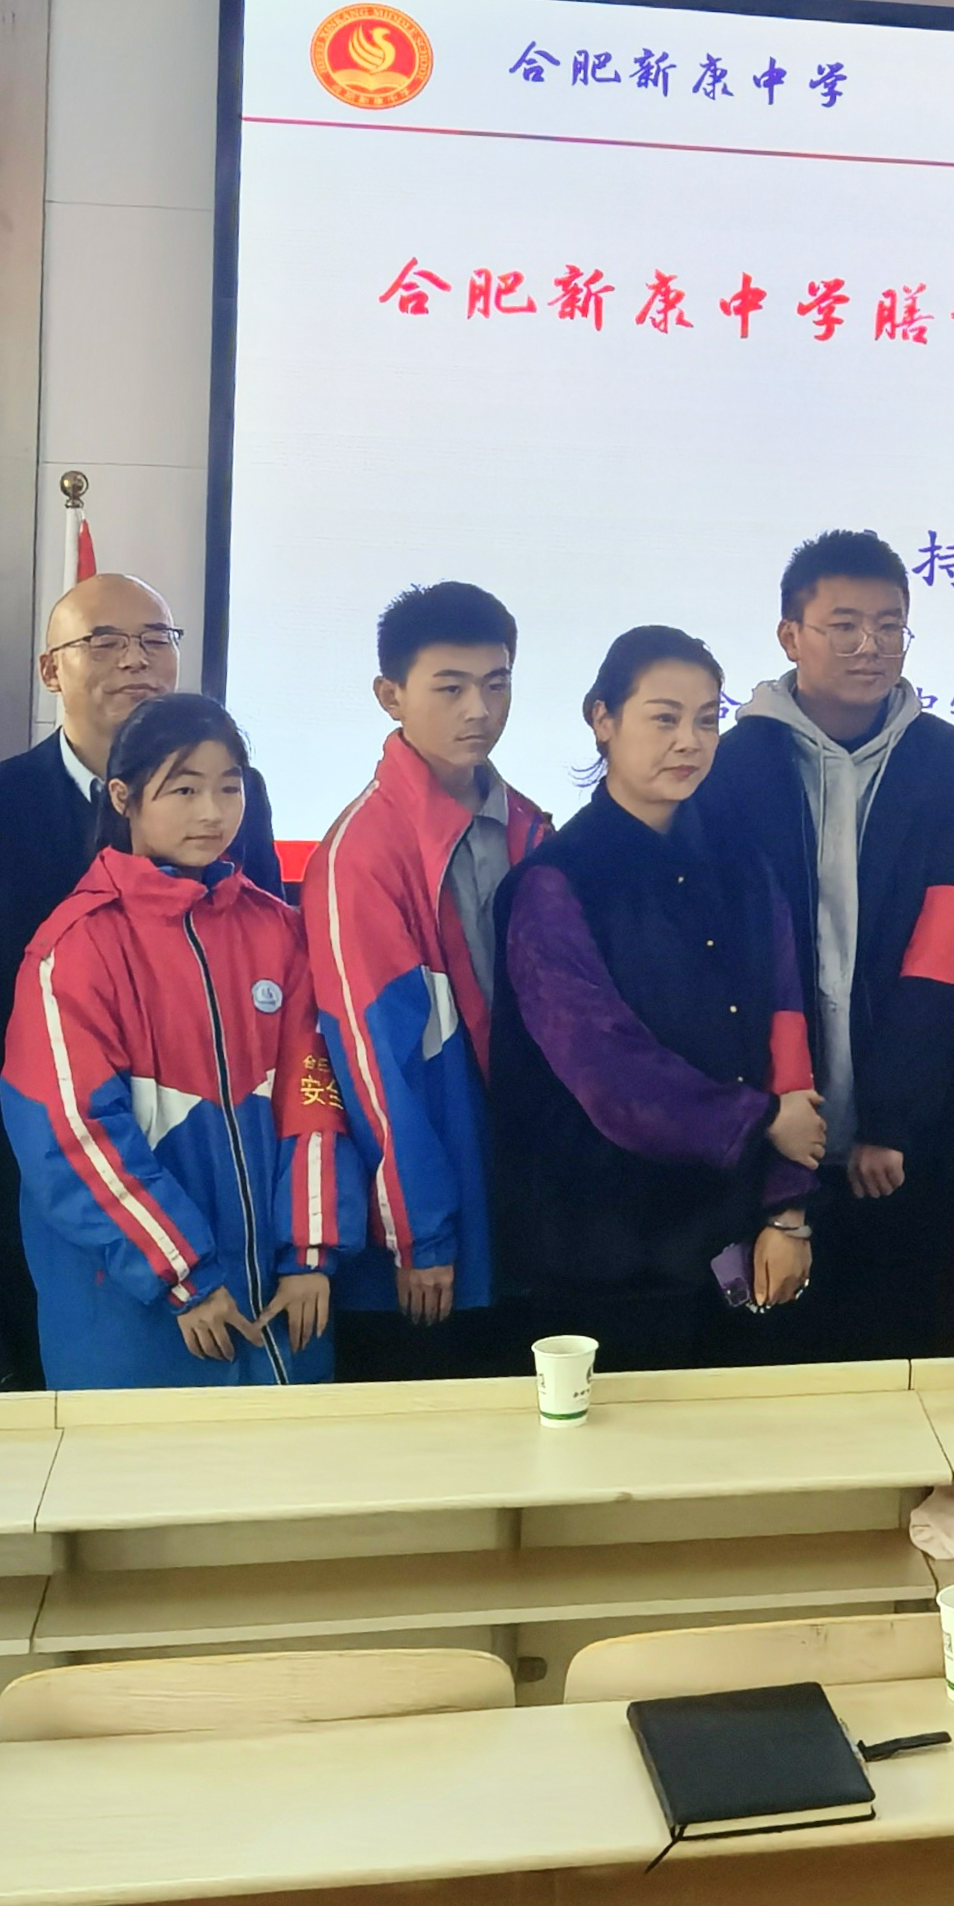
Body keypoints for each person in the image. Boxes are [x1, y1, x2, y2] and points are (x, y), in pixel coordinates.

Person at [0, 569, 278, 1385]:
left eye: (155, 639)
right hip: (41, 1161)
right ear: (51, 670)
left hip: (212, 1160)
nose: (135, 660)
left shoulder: (235, 798)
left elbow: (268, 965)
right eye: (103, 641)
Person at [485, 629, 828, 1370]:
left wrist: (788, 1210)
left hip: (734, 1236)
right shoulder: (555, 883)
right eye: (664, 718)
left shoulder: (744, 868)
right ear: (602, 719)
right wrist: (763, 1120)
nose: (689, 742)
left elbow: (787, 1032)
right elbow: (608, 1072)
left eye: (707, 720)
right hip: (601, 1250)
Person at [703, 531, 954, 1361]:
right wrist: (770, 1118)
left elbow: (950, 952)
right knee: (768, 1368)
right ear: (790, 635)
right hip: (764, 1128)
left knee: (898, 1355)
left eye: (889, 625)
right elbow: (730, 963)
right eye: (844, 625)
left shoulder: (947, 762)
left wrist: (892, 1122)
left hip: (903, 1144)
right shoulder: (735, 764)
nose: (870, 645)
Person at [0, 695, 345, 1387]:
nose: (212, 813)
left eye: (229, 788)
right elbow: (72, 1136)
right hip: (138, 1313)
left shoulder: (279, 931)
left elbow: (316, 1098)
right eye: (184, 790)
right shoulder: (76, 949)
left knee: (292, 1456)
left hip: (285, 1302)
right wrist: (183, 1275)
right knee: (150, 1457)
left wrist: (310, 1252)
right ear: (123, 798)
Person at [304, 581, 550, 1381]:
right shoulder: (362, 853)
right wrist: (420, 1234)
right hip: (425, 1248)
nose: (480, 709)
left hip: (521, 1210)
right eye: (450, 688)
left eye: (497, 683)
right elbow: (373, 1066)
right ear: (391, 696)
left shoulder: (531, 827)